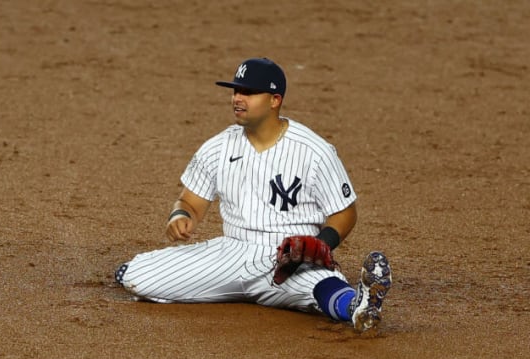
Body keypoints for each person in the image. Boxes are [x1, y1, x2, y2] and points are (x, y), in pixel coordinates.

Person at [114, 57, 392, 333]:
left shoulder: (314, 151)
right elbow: (189, 201)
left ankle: (358, 307)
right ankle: (230, 287)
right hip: (231, 253)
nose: (238, 98)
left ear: (274, 100)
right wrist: (181, 215)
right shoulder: (218, 146)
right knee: (134, 275)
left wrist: (321, 244)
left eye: (248, 92)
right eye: (236, 91)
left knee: (321, 287)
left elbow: (345, 211)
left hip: (288, 258)